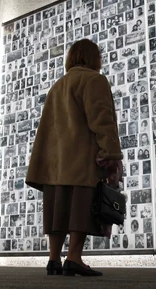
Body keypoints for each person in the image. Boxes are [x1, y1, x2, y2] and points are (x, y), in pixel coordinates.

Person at [25, 39, 122, 277]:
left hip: (55, 164)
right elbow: (102, 119)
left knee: (57, 210)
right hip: (82, 159)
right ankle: (74, 257)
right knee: (81, 208)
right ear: (94, 58)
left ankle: (54, 259)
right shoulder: (94, 80)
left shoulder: (58, 85)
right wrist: (111, 153)